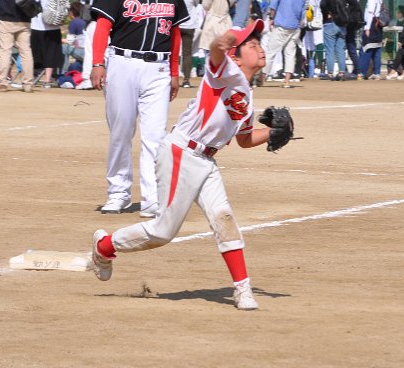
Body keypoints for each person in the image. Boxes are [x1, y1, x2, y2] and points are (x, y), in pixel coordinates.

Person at [91, 20, 272, 310]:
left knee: (224, 218)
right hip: (182, 152)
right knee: (163, 232)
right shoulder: (225, 72)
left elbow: (245, 139)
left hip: (206, 160)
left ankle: (242, 289)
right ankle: (104, 246)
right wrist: (221, 42)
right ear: (235, 57)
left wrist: (274, 133)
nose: (260, 48)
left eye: (259, 43)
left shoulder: (247, 97)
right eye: (252, 44)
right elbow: (215, 52)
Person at [90, 0, 189, 218]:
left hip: (158, 68)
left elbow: (175, 34)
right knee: (121, 133)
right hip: (123, 64)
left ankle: (152, 199)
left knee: (155, 137)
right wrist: (97, 63)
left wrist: (174, 72)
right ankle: (118, 193)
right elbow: (102, 28)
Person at [78, 0, 123, 90]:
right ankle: (108, 80)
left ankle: (87, 79)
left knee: (91, 50)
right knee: (110, 53)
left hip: (97, 21)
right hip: (117, 24)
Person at [264, 0, 307, 88]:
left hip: (282, 24)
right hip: (295, 26)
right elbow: (303, 11)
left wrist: (271, 18)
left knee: (271, 51)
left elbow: (274, 3)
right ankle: (287, 80)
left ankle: (262, 76)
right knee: (290, 53)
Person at [30, 0, 66, 88]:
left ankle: (33, 76)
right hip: (55, 24)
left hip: (39, 23)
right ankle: (47, 80)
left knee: (36, 52)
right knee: (51, 52)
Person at [173, 0, 203, 88]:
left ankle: (172, 76)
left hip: (175, 23)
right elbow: (196, 4)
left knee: (173, 51)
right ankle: (186, 80)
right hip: (189, 24)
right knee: (187, 53)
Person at [357, 0, 385, 79]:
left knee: (366, 49)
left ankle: (362, 72)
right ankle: (376, 73)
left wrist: (367, 28)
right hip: (378, 25)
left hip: (372, 24)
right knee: (377, 49)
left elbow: (370, 13)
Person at [340, 0, 363, 76]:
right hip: (354, 23)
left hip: (344, 22)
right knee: (351, 47)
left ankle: (343, 69)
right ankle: (358, 70)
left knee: (340, 46)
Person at [62, 1, 86, 74]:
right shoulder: (85, 20)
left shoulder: (74, 22)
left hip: (83, 53)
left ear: (72, 12)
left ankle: (64, 72)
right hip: (90, 52)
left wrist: (59, 39)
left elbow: (70, 41)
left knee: (63, 48)